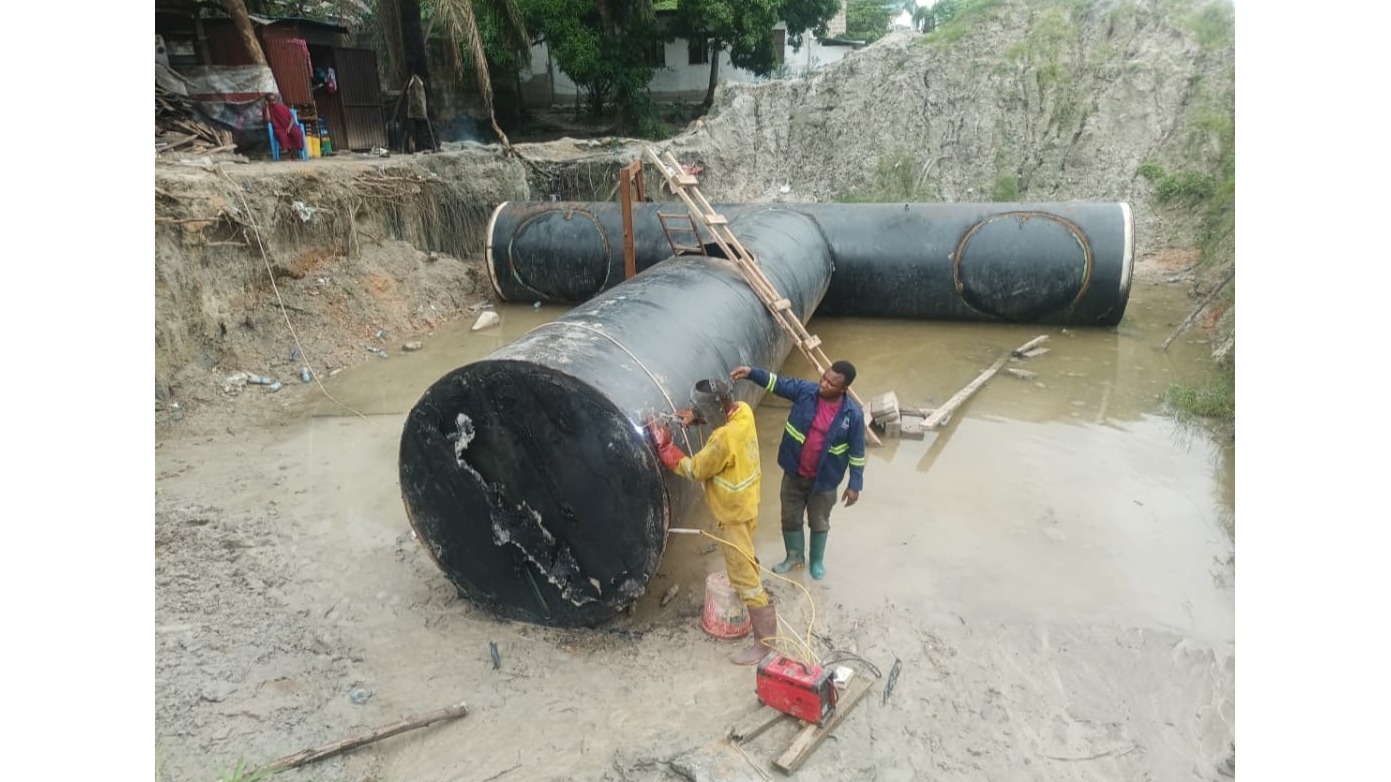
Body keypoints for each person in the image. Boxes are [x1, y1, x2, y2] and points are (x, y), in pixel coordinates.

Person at [646, 378, 779, 666]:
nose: (699, 413)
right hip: (748, 504)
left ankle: (764, 644)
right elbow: (722, 419)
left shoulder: (722, 439)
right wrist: (697, 416)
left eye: (702, 409)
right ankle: (753, 585)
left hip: (732, 515)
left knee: (744, 577)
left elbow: (694, 469)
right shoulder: (743, 411)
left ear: (716, 408)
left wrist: (666, 447)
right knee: (747, 559)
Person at [730, 361, 865, 580]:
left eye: (831, 384)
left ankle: (817, 562)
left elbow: (857, 453)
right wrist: (752, 373)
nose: (824, 384)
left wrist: (855, 485)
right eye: (824, 378)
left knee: (819, 522)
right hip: (794, 473)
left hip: (824, 481)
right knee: (790, 518)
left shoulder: (853, 416)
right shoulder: (805, 392)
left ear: (844, 389)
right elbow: (778, 383)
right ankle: (794, 557)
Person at [265, 94, 304, 160]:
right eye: (271, 101)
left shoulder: (282, 107)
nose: (273, 102)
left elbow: (292, 118)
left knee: (297, 133)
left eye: (274, 100)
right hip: (279, 128)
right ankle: (290, 153)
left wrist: (289, 128)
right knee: (282, 136)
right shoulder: (268, 109)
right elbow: (268, 120)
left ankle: (292, 153)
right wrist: (267, 107)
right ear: (268, 102)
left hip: (290, 126)